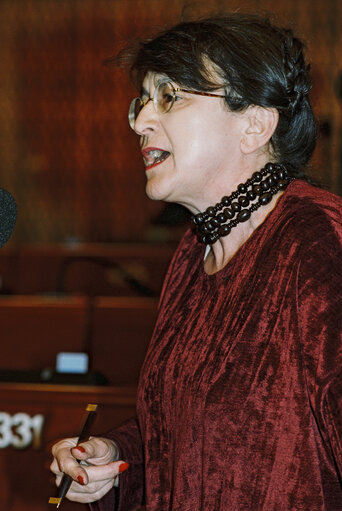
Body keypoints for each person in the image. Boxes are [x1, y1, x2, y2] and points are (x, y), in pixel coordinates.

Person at [50, 12, 342, 510]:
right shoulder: (194, 251)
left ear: (253, 124)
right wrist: (117, 457)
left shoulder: (318, 243)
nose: (141, 120)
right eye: (142, 100)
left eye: (171, 96)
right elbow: (190, 437)